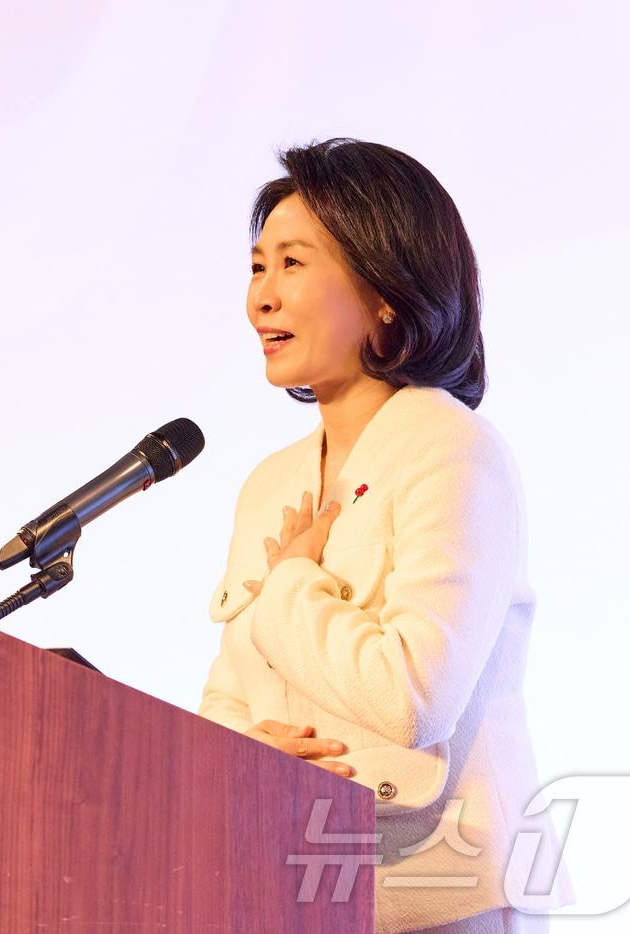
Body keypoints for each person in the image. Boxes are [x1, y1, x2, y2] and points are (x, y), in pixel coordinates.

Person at [198, 139, 573, 933]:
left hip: (446, 889)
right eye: (258, 266)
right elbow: (229, 695)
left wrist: (294, 587)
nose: (261, 297)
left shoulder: (450, 446)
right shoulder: (271, 482)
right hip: (302, 885)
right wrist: (244, 751)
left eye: (293, 264)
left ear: (385, 293)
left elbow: (414, 696)